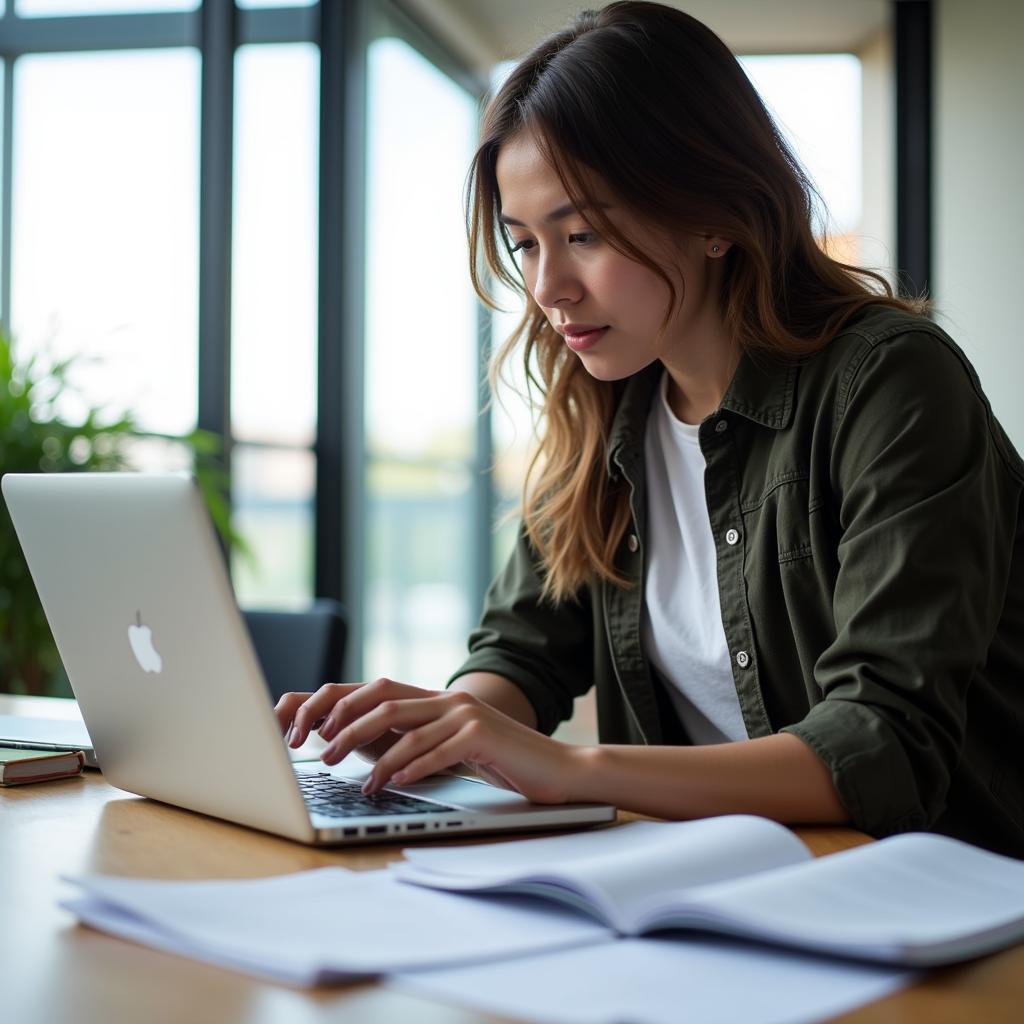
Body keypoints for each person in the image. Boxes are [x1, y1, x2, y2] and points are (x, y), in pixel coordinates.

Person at [276, 1, 1024, 856]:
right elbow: (524, 650)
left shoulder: (890, 381)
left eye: (583, 233)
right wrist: (444, 725)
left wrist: (571, 768)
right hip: (718, 885)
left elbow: (884, 745)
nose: (548, 287)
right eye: (523, 244)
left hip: (949, 903)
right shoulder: (603, 401)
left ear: (712, 212)